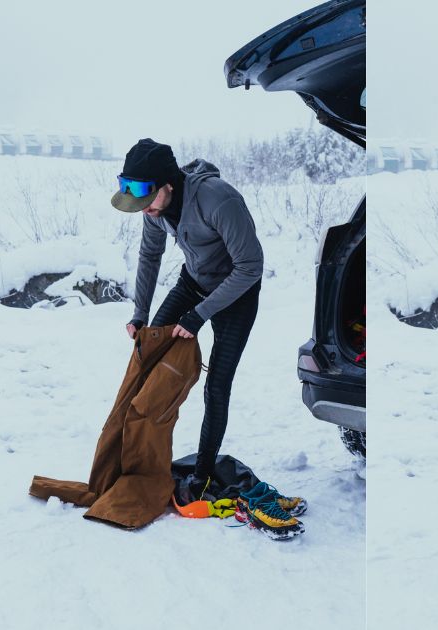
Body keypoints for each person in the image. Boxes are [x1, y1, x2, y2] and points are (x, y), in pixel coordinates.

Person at [111, 138, 264, 504]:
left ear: (167, 185)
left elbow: (251, 266)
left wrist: (198, 316)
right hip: (193, 283)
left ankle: (202, 474)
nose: (143, 209)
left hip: (237, 293)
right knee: (149, 359)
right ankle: (143, 460)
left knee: (216, 387)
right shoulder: (155, 210)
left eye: (146, 197)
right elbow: (150, 256)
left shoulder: (218, 199)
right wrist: (140, 314)